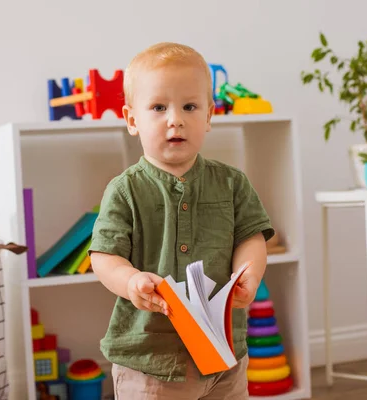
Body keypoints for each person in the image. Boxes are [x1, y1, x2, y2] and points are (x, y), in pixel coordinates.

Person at [88, 41, 275, 399]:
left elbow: (251, 237)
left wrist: (250, 273)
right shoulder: (124, 190)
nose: (175, 119)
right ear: (132, 120)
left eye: (190, 106)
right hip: (150, 361)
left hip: (225, 354)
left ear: (208, 117)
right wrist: (130, 282)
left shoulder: (232, 182)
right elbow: (104, 256)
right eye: (158, 107)